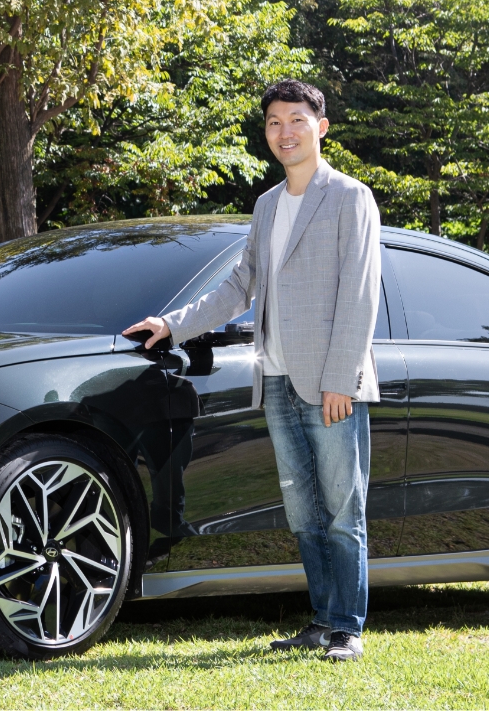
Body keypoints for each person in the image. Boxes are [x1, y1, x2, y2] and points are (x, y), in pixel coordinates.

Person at [124, 79, 381, 662]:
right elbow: (240, 285)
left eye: (295, 120)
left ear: (321, 127)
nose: (284, 132)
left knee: (343, 507)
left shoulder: (349, 197)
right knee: (302, 509)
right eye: (273, 122)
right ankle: (321, 619)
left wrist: (342, 376)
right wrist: (172, 324)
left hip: (330, 384)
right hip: (279, 383)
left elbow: (361, 294)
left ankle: (347, 626)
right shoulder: (266, 206)